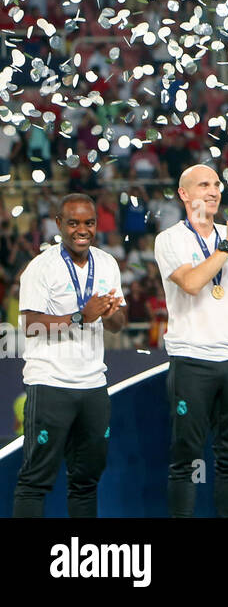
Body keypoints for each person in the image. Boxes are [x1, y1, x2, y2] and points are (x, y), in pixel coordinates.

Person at [154, 165, 228, 517]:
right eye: (203, 184)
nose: (214, 190)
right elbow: (191, 283)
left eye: (217, 184)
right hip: (191, 358)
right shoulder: (170, 239)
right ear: (184, 194)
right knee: (186, 459)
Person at [13, 194, 126, 517]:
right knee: (35, 480)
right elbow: (31, 325)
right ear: (59, 224)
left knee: (86, 481)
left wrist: (110, 311)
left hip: (93, 384)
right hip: (50, 382)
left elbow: (117, 325)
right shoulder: (41, 267)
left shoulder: (106, 263)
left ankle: (81, 558)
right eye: (73, 223)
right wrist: (80, 316)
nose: (82, 230)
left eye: (89, 223)